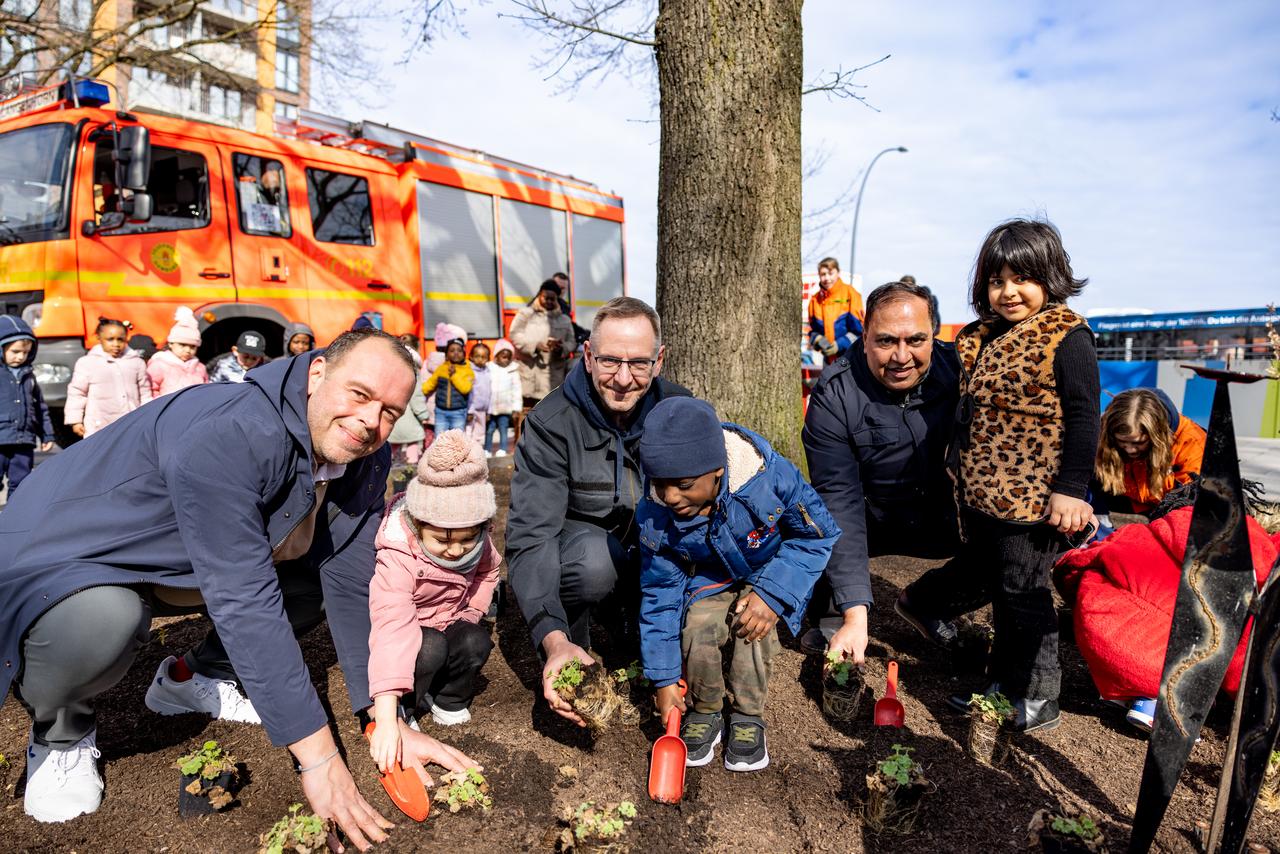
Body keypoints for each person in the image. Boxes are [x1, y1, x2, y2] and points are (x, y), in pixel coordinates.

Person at [0, 328, 476, 839]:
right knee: (105, 620)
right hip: (69, 557)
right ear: (317, 373)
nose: (370, 421)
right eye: (360, 394)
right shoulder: (235, 428)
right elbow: (243, 599)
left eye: (389, 411)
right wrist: (319, 761)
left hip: (182, 558)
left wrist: (383, 714)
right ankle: (60, 731)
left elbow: (350, 577)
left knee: (309, 580)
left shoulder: (360, 450)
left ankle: (189, 678)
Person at [899, 219, 1100, 733]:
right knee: (993, 578)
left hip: (1034, 499)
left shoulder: (1066, 337)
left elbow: (1083, 416)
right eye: (996, 280)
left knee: (1024, 592)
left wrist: (1072, 492)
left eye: (1022, 279)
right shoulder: (986, 337)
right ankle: (997, 678)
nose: (1008, 292)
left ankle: (1035, 694)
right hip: (983, 493)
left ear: (1050, 278)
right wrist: (953, 457)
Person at [506, 296, 689, 727]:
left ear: (659, 361)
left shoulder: (681, 412)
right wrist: (551, 639)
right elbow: (531, 538)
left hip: (655, 555)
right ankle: (574, 641)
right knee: (594, 561)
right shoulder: (551, 422)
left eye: (639, 363)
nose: (623, 379)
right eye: (609, 361)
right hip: (587, 557)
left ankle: (641, 630)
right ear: (587, 355)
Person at [638, 398, 838, 772]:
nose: (669, 497)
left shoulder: (768, 479)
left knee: (752, 627)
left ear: (717, 471)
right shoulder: (656, 513)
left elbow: (817, 536)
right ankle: (706, 709)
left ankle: (747, 715)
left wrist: (773, 594)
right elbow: (660, 597)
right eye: (659, 484)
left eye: (682, 484)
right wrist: (664, 680)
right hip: (710, 577)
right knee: (697, 624)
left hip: (770, 570)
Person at [801, 281, 961, 664]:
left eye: (916, 340)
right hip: (871, 514)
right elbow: (839, 499)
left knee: (1014, 538)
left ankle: (929, 602)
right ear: (866, 334)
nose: (901, 356)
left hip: (941, 512)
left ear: (933, 333)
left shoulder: (961, 370)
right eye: (887, 341)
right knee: (811, 526)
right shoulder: (834, 393)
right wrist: (856, 612)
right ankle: (831, 609)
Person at [1055, 490, 1280, 733]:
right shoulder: (1250, 544)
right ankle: (1162, 701)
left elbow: (1074, 565)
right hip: (1186, 661)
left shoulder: (1138, 533)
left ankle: (1143, 694)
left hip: (1115, 641)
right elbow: (1253, 634)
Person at [368, 430, 500, 773]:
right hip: (411, 632)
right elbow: (392, 626)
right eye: (442, 540)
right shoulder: (399, 553)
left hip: (449, 620)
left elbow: (489, 571)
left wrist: (471, 612)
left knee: (475, 639)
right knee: (429, 648)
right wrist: (385, 716)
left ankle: (448, 698)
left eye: (468, 539)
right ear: (418, 522)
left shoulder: (479, 543)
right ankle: (406, 709)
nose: (456, 550)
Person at [1094, 388, 1205, 517]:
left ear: (1157, 436)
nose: (1130, 449)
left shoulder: (1192, 444)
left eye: (1138, 443)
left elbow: (1188, 505)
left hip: (1167, 513)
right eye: (1122, 441)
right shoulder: (1102, 432)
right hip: (1120, 504)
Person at [64, 316, 151, 438]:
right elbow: (77, 392)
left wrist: (149, 416)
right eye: (110, 339)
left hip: (131, 425)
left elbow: (145, 393)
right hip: (99, 426)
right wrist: (75, 420)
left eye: (120, 340)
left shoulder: (136, 362)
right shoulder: (87, 363)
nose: (116, 344)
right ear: (99, 338)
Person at [0, 314, 54, 497]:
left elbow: (40, 408)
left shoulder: (29, 376)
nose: (21, 357)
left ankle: (12, 519)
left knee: (21, 483)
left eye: (25, 352)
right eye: (15, 352)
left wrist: (47, 434)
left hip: (24, 440)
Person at [509, 281, 574, 432]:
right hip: (531, 373)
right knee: (528, 410)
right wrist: (535, 345)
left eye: (553, 299)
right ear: (539, 295)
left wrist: (561, 348)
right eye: (546, 297)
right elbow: (515, 335)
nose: (549, 302)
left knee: (552, 409)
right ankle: (524, 444)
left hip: (554, 374)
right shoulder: (525, 314)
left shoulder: (564, 319)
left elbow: (571, 341)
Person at [807, 257, 864, 359]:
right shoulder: (814, 300)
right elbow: (812, 330)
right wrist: (816, 338)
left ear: (838, 273)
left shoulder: (850, 294)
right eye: (823, 274)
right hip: (828, 359)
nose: (827, 278)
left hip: (849, 357)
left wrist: (839, 345)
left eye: (830, 273)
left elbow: (860, 331)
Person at [146, 307, 208, 397]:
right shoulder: (159, 365)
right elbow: (151, 390)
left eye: (193, 347)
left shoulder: (200, 368)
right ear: (171, 344)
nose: (187, 350)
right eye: (182, 345)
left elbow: (206, 390)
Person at [423, 337, 474, 434]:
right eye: (452, 350)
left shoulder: (468, 370)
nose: (456, 353)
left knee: (457, 439)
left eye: (459, 350)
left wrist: (454, 375)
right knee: (440, 438)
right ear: (446, 354)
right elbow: (430, 384)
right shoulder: (442, 368)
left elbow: (465, 389)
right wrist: (417, 392)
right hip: (440, 411)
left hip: (458, 412)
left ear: (464, 354)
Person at [486, 339, 521, 457]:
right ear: (496, 356)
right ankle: (487, 449)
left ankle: (503, 448)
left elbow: (516, 390)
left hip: (505, 407)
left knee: (503, 428)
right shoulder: (489, 368)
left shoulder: (512, 371)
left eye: (508, 357)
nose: (505, 360)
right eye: (503, 356)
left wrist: (516, 408)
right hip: (491, 407)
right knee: (490, 429)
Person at [465, 342, 491, 447]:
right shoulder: (469, 371)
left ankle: (477, 452)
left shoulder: (488, 371)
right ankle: (466, 451)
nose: (480, 359)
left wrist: (489, 410)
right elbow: (469, 392)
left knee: (480, 433)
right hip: (472, 409)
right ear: (471, 356)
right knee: (468, 432)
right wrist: (469, 411)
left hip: (483, 410)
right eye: (477, 356)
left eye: (484, 357)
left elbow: (490, 391)